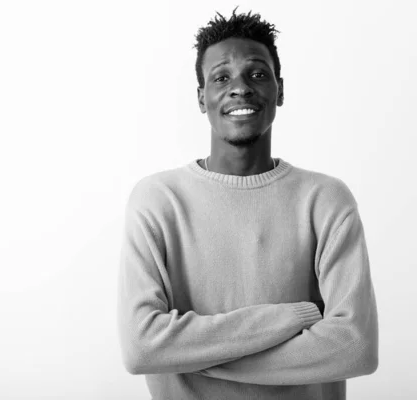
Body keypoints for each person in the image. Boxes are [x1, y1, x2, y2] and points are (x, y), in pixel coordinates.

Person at [116, 8, 378, 400]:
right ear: (202, 98)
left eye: (257, 74)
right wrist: (292, 317)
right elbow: (141, 347)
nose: (240, 88)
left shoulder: (325, 200)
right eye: (221, 77)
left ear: (280, 89)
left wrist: (188, 353)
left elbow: (356, 348)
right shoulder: (157, 200)